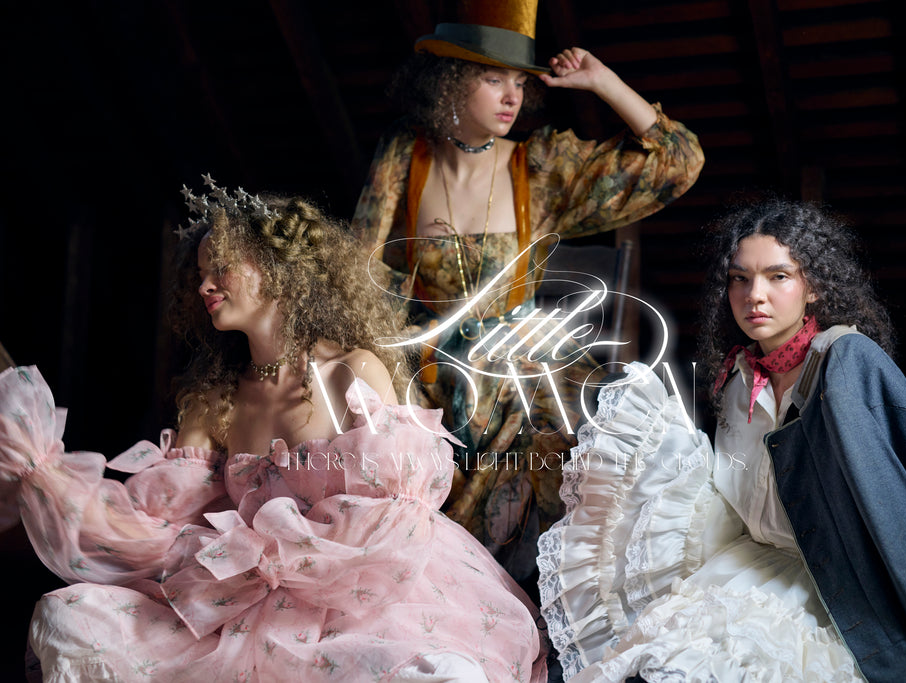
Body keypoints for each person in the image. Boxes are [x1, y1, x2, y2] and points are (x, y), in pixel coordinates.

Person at [0, 178, 547, 682]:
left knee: (428, 671)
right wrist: (46, 474)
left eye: (221, 268)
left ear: (279, 266)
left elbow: (396, 520)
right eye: (199, 274)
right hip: (242, 601)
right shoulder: (214, 401)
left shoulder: (351, 372)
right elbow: (158, 524)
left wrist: (281, 557)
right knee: (69, 618)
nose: (205, 285)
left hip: (368, 593)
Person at [536, 199, 906, 681]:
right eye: (740, 278)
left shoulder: (844, 363)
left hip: (829, 584)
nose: (755, 295)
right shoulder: (736, 379)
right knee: (657, 659)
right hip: (746, 566)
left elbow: (896, 503)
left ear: (814, 287)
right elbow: (743, 498)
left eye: (778, 276)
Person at [351, 0, 704, 587]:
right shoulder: (405, 154)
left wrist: (603, 81)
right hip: (426, 361)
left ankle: (533, 601)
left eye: (520, 82)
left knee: (573, 439)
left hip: (520, 363)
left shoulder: (540, 166)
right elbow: (363, 266)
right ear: (450, 81)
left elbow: (679, 161)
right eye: (494, 79)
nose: (512, 97)